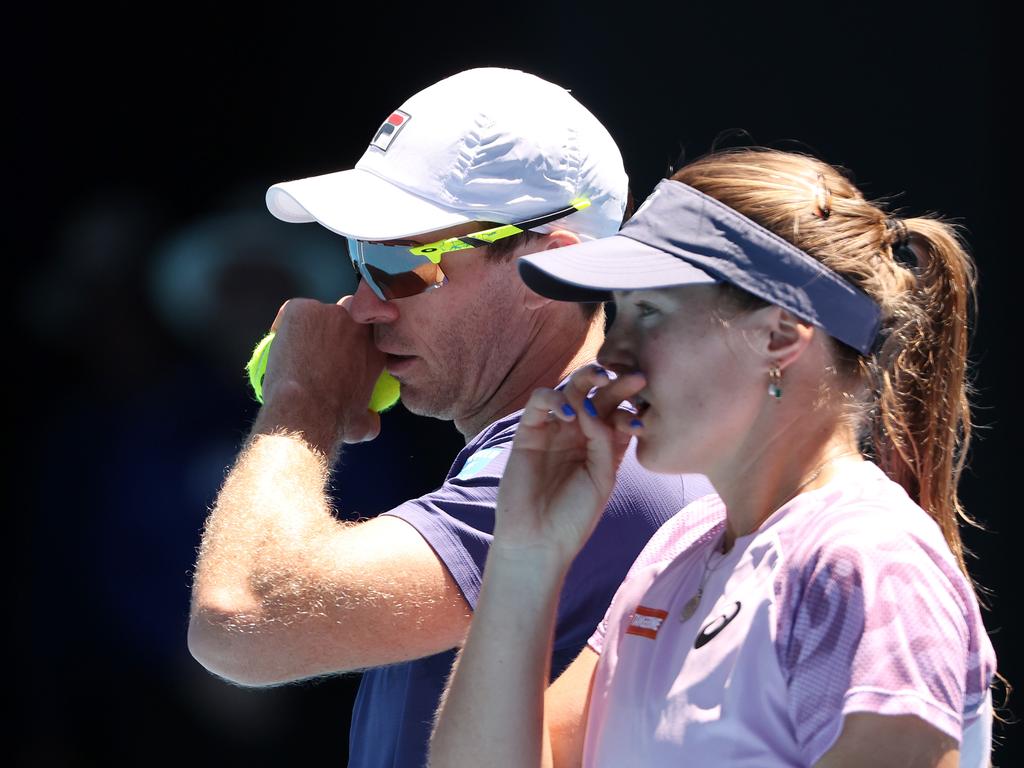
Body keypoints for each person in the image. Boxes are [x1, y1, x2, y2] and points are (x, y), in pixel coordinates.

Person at [187, 67, 710, 767]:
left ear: (551, 270)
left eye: (402, 263)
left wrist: (302, 399)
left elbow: (240, 616)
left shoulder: (597, 455)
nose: (363, 304)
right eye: (360, 256)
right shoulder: (567, 442)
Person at [430, 147, 998, 767]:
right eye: (619, 313)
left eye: (651, 312)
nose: (611, 356)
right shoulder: (682, 547)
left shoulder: (863, 558)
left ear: (779, 336)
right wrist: (524, 553)